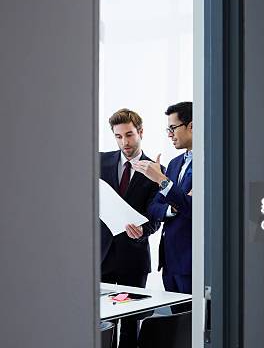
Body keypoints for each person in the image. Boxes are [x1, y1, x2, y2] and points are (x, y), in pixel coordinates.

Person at [100, 108, 161, 348]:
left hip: (133, 256)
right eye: (118, 136)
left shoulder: (156, 171)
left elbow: (155, 218)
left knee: (129, 323)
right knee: (99, 320)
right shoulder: (99, 161)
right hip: (101, 254)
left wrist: (143, 232)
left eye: (129, 135)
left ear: (141, 132)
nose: (124, 142)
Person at [131, 101, 193, 294]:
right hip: (169, 262)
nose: (169, 134)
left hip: (192, 261)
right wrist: (173, 207)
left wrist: (160, 179)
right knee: (177, 323)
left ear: (192, 126)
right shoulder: (174, 163)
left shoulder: (210, 162)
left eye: (173, 128)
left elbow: (191, 208)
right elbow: (154, 207)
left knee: (196, 321)